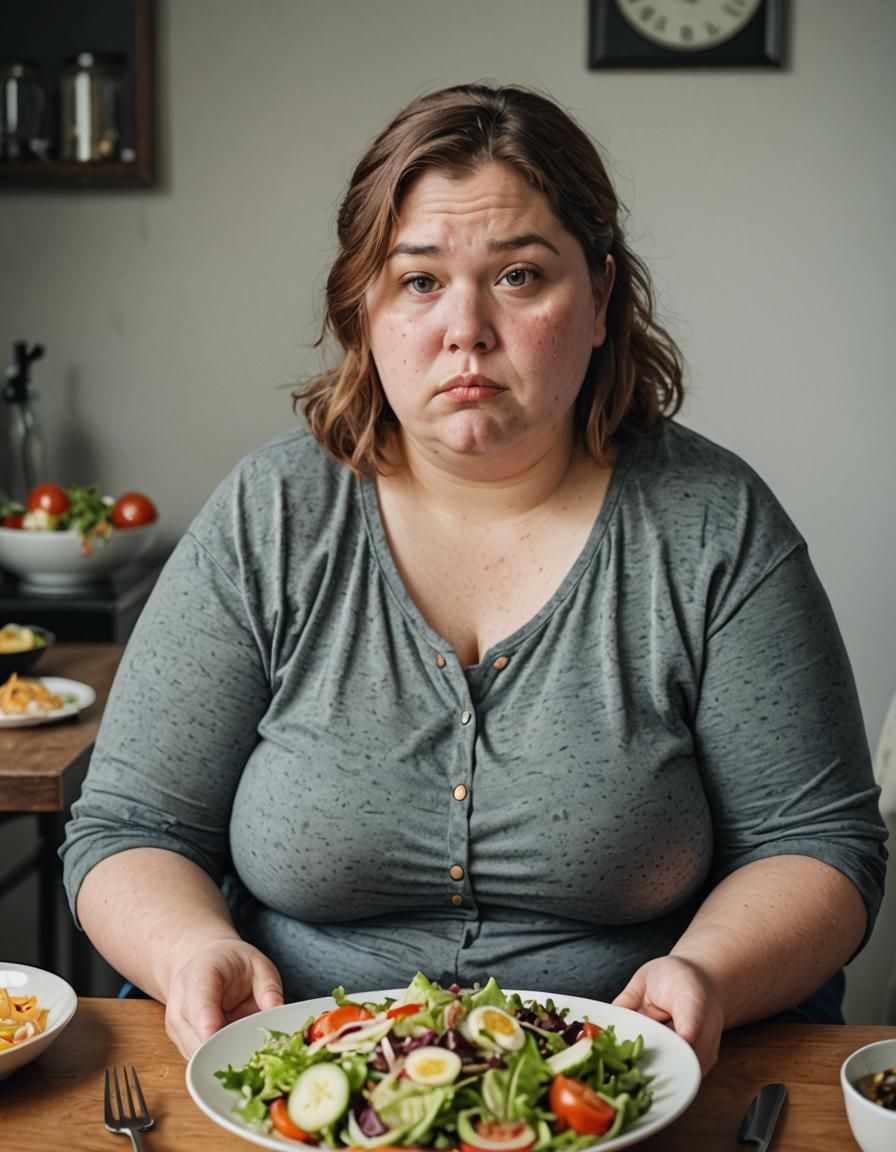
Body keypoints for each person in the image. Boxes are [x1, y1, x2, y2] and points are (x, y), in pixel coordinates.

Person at [61, 83, 887, 1074]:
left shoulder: (712, 525)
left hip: (628, 1086)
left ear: (598, 301)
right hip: (295, 1078)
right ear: (362, 310)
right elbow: (129, 826)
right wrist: (192, 948)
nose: (466, 328)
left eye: (519, 276)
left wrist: (703, 971)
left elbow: (819, 843)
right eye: (417, 281)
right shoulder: (270, 517)